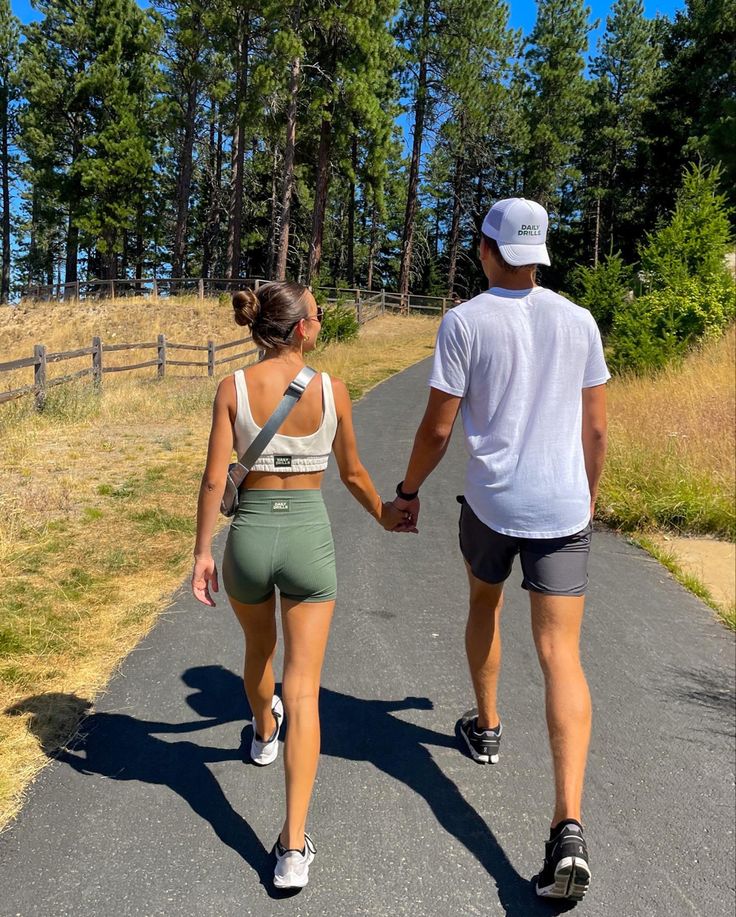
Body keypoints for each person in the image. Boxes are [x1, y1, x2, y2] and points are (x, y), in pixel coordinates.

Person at [392, 198, 609, 902]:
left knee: (483, 599)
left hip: (492, 503)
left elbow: (437, 428)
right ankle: (568, 823)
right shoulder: (579, 322)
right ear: (539, 254)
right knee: (562, 654)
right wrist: (588, 497)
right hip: (561, 507)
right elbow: (596, 431)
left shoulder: (463, 321)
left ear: (487, 250)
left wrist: (408, 490)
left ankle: (486, 725)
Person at [191, 281, 410, 891]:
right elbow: (354, 472)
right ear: (303, 330)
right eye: (317, 314)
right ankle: (292, 847)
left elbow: (214, 480)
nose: (320, 320)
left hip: (251, 540)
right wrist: (386, 515)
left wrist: (202, 552)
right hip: (310, 538)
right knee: (306, 691)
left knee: (258, 654)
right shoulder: (330, 389)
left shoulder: (231, 388)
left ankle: (263, 732)